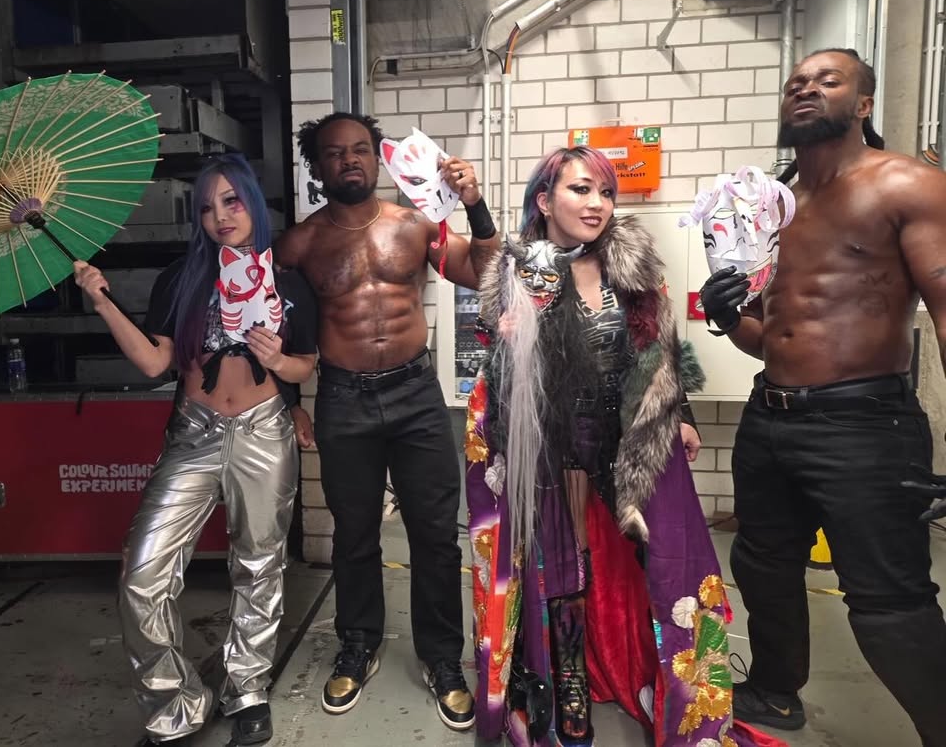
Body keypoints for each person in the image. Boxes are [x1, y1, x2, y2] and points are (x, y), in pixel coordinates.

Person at [464, 146, 781, 747]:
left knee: (667, 557)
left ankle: (669, 682)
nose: (597, 204)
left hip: (632, 433)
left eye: (606, 192)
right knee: (562, 558)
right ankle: (568, 680)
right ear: (544, 200)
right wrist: (508, 340)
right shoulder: (518, 269)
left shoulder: (631, 262)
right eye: (581, 189)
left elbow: (662, 348)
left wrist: (681, 414)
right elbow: (494, 375)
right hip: (553, 440)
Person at [699, 48, 946, 745]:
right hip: (771, 417)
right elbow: (776, 340)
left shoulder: (907, 184)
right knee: (762, 565)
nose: (806, 88)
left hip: (865, 424)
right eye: (796, 82)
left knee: (889, 600)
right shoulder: (771, 204)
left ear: (863, 104)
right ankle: (776, 693)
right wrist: (726, 316)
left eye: (827, 80)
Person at [73, 153, 318, 746]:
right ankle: (174, 704)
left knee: (259, 565)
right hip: (194, 433)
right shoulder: (180, 280)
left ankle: (247, 687)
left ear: (252, 202)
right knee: (141, 573)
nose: (220, 216)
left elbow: (306, 363)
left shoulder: (286, 281)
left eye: (231, 201)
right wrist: (103, 302)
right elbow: (155, 362)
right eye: (206, 208)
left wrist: (276, 359)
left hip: (263, 432)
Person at [273, 111, 501, 730]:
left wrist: (475, 206)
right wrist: (291, 401)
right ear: (317, 167)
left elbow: (482, 271)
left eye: (359, 149)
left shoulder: (414, 224)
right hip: (343, 399)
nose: (348, 159)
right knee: (353, 533)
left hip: (415, 395)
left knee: (434, 533)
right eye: (334, 152)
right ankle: (359, 643)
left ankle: (441, 658)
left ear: (377, 158)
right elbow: (272, 326)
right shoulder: (298, 244)